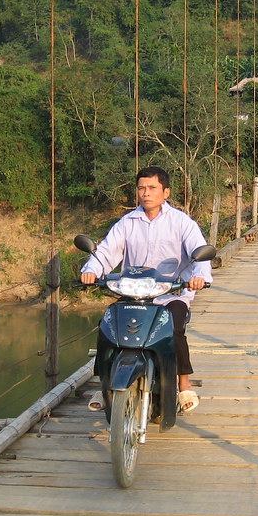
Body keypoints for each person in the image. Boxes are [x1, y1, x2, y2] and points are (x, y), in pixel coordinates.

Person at [80, 166, 212, 413]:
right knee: (107, 324)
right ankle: (103, 382)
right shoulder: (127, 223)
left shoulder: (182, 223)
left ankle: (183, 384)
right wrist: (91, 271)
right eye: (141, 188)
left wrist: (199, 277)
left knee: (174, 327)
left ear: (166, 192)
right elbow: (107, 251)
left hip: (170, 293)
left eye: (152, 188)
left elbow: (199, 252)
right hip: (134, 294)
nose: (145, 193)